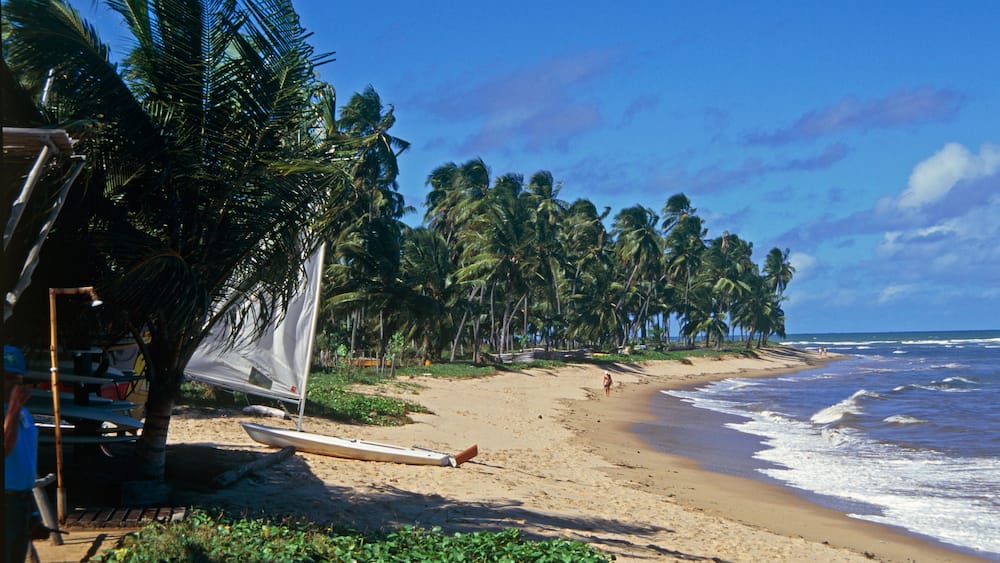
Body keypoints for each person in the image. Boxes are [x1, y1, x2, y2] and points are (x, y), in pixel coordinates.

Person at [4, 344, 38, 563]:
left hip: (22, 503)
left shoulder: (24, 413)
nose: (15, 384)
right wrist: (14, 407)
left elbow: (28, 459)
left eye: (19, 378)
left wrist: (33, 512)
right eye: (8, 377)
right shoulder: (15, 410)